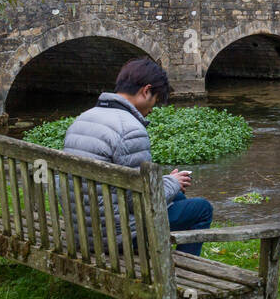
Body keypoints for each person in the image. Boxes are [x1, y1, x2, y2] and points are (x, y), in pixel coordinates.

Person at [62, 57, 213, 255]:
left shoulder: (82, 119)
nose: (151, 109)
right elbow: (139, 199)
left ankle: (168, 255)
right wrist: (171, 182)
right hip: (118, 236)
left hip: (83, 230)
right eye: (155, 100)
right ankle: (184, 267)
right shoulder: (130, 129)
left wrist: (170, 183)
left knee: (178, 195)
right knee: (202, 209)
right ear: (146, 90)